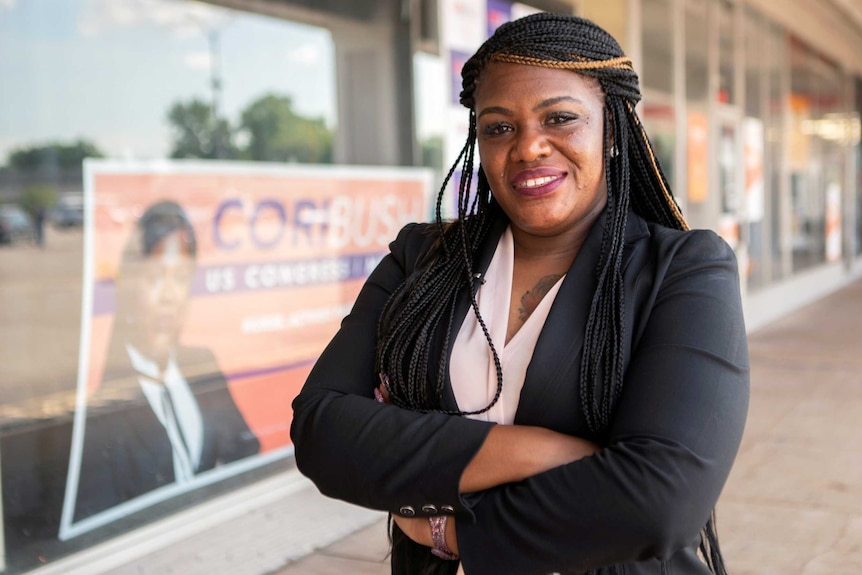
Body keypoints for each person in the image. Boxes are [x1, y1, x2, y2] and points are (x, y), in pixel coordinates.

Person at [290, 12, 748, 575]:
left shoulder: (683, 270)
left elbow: (660, 504)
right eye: (499, 127)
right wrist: (549, 451)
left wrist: (448, 528)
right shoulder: (423, 258)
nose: (529, 146)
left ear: (612, 129)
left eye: (560, 117)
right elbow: (321, 431)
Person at [71, 200, 260, 523]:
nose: (170, 296)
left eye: (181, 278)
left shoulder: (201, 364)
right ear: (129, 285)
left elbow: (246, 453)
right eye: (156, 278)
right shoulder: (103, 409)